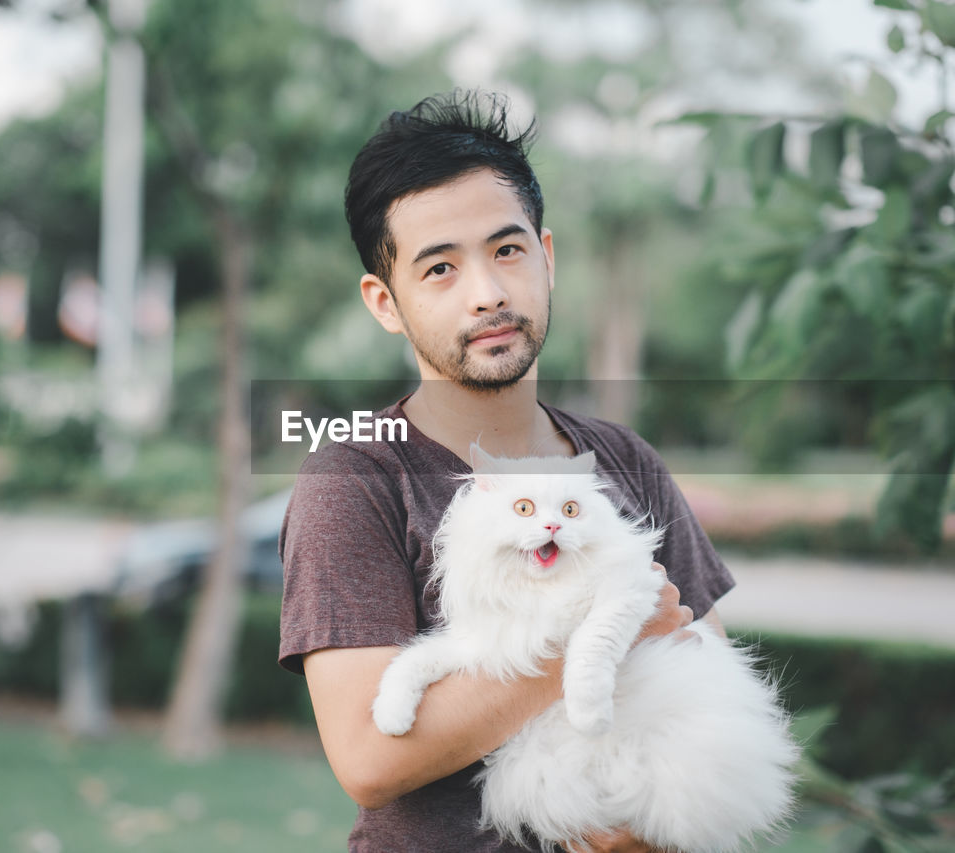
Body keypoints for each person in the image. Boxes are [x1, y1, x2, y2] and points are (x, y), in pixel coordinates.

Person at [277, 89, 735, 853]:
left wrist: (657, 831)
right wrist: (604, 630)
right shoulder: (354, 478)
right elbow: (368, 757)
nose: (487, 292)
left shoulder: (623, 460)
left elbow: (712, 676)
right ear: (385, 303)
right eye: (440, 269)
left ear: (546, 257)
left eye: (507, 250)